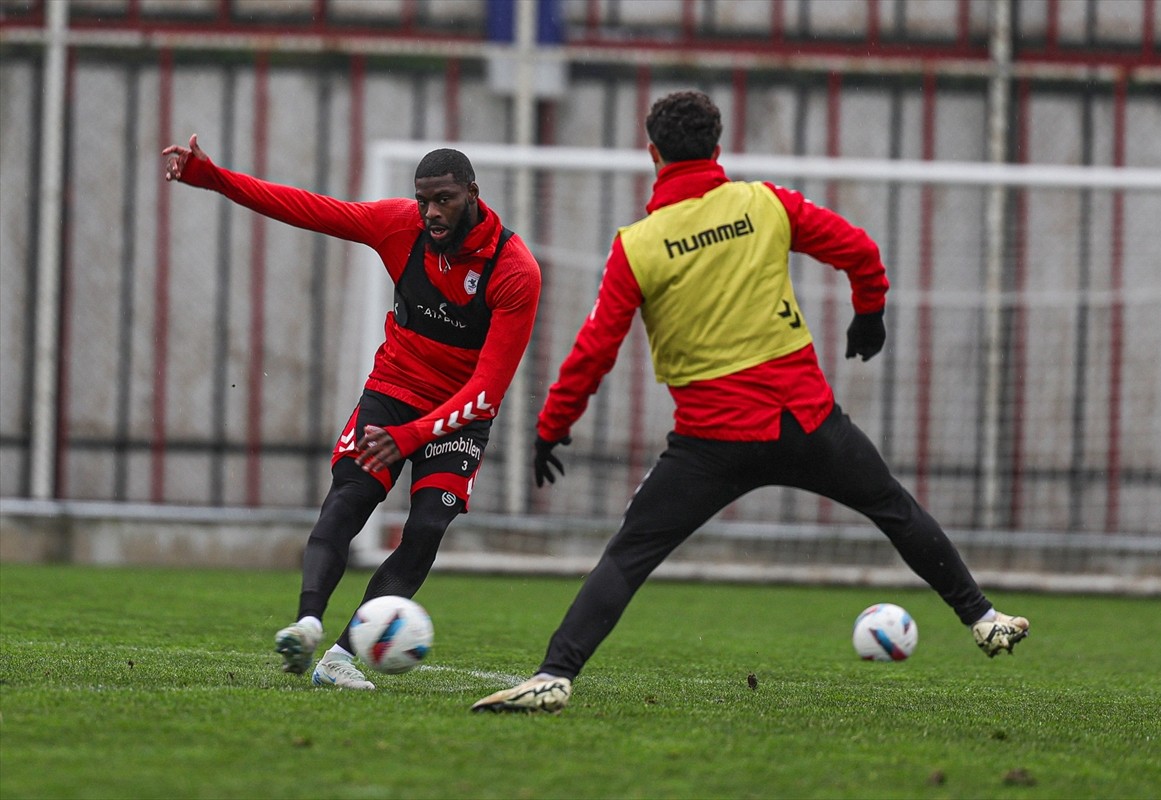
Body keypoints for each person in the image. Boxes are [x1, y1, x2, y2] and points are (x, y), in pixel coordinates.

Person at [471, 90, 1028, 714]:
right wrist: (869, 315)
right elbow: (861, 252)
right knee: (891, 506)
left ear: (652, 154)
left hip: (712, 444)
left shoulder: (640, 245)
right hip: (807, 422)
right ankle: (982, 617)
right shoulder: (764, 204)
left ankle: (555, 675)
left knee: (629, 555)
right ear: (717, 148)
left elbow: (594, 350)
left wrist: (552, 426)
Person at [163, 135, 541, 690]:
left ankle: (340, 657)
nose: (432, 213)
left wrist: (411, 437)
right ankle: (308, 624)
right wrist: (212, 176)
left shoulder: (514, 270)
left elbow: (486, 391)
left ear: (473, 194)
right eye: (424, 200)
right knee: (349, 498)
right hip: (394, 388)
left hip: (457, 413)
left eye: (445, 199)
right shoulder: (399, 227)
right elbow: (307, 208)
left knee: (427, 528)